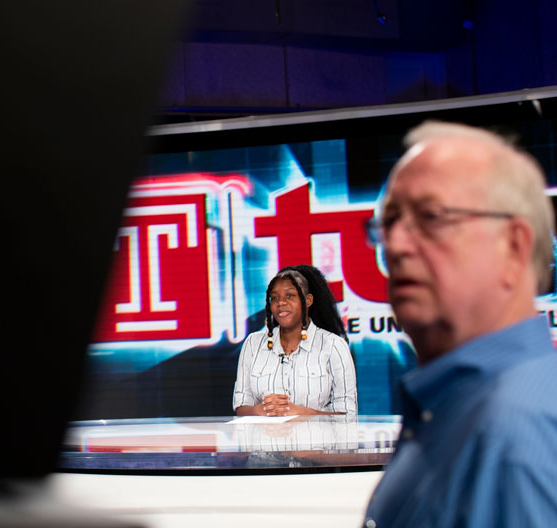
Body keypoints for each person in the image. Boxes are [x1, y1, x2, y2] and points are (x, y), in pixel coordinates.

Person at [363, 121, 557, 527]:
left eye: (432, 217)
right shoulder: (455, 408)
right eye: (390, 222)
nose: (395, 246)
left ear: (514, 246)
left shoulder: (516, 439)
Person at [233, 264, 357, 416]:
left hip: (317, 439)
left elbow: (348, 415)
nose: (281, 303)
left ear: (308, 300)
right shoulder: (253, 344)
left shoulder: (334, 346)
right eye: (275, 298)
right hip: (264, 438)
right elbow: (241, 406)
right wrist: (258, 411)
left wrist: (302, 413)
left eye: (290, 295)